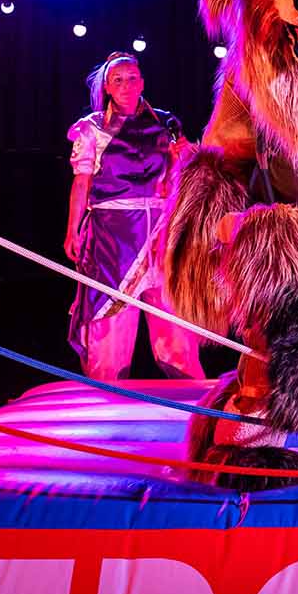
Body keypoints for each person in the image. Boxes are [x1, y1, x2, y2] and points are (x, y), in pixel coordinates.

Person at [64, 52, 205, 380]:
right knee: (109, 331)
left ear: (142, 82)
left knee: (175, 332)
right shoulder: (92, 128)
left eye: (132, 78)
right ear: (107, 88)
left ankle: (191, 407)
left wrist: (184, 158)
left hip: (161, 232)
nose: (126, 85)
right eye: (118, 80)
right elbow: (82, 181)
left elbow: (181, 179)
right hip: (113, 237)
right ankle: (104, 400)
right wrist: (72, 230)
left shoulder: (165, 122)